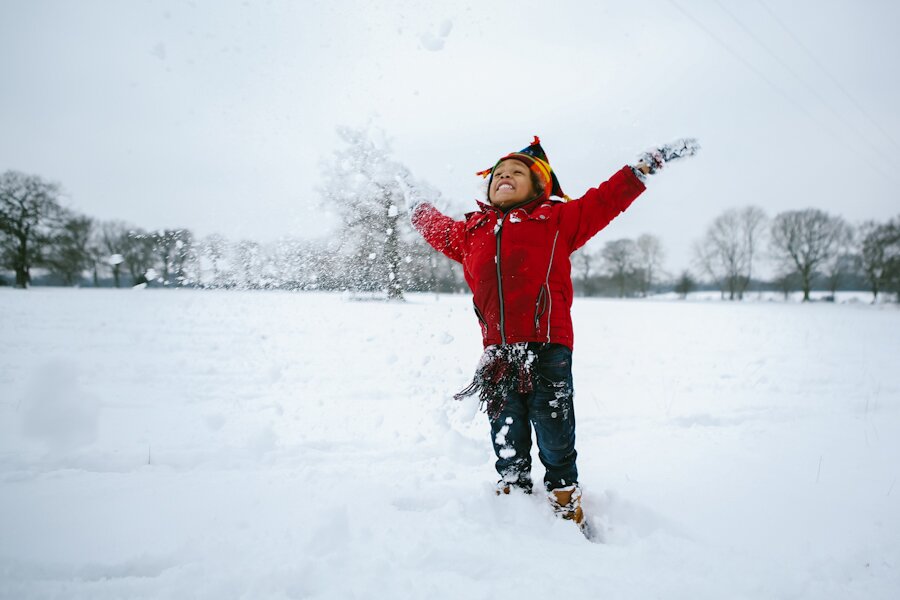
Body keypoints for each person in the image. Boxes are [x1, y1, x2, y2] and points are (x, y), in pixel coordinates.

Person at [407, 136, 699, 533]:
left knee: (553, 427)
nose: (505, 177)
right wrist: (415, 205)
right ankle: (513, 487)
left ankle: (564, 492)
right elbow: (436, 227)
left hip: (549, 347)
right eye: (498, 174)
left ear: (538, 186)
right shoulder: (471, 231)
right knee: (505, 428)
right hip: (498, 353)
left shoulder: (557, 221)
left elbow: (606, 199)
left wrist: (642, 168)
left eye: (516, 173)